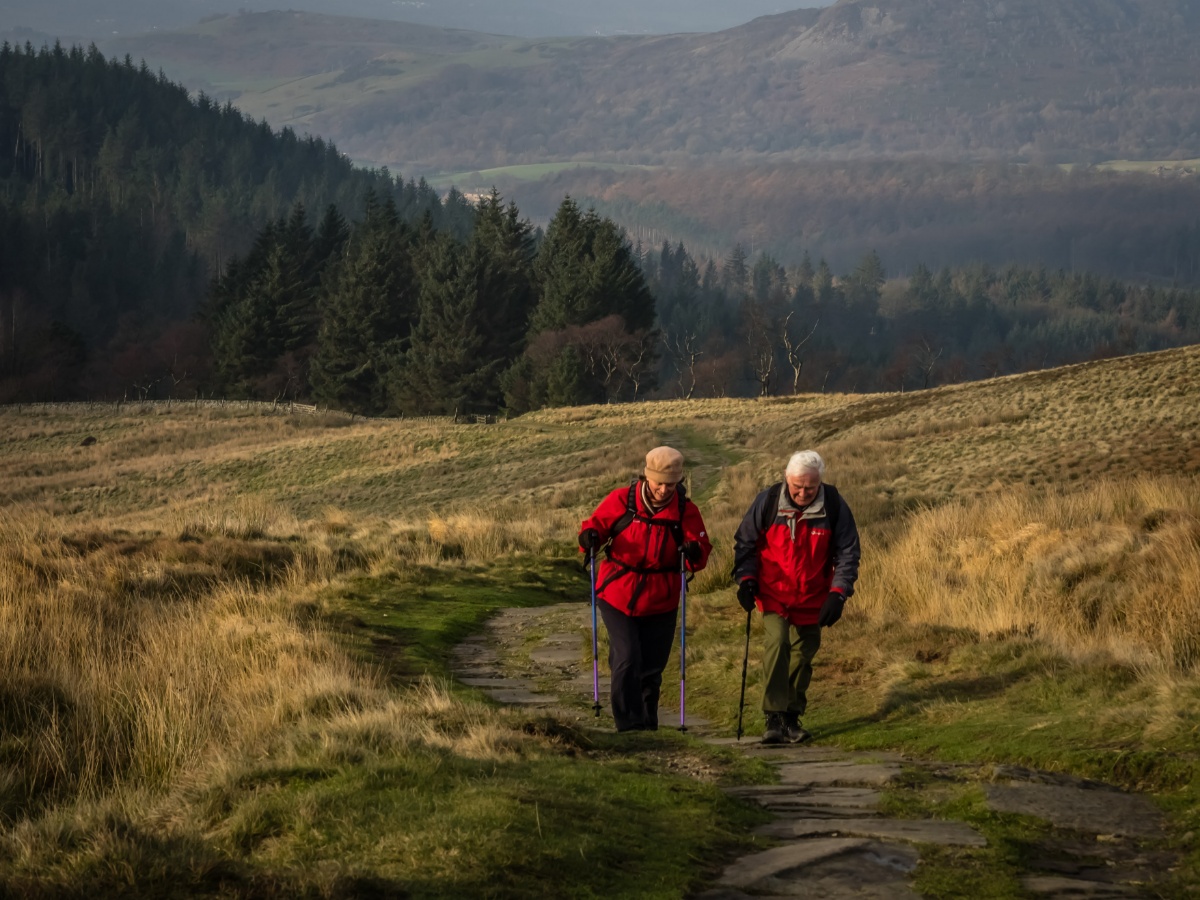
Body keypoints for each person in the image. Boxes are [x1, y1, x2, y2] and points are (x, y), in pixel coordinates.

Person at [578, 446, 712, 731]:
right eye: (659, 483)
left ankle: (648, 723)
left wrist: (694, 551)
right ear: (646, 477)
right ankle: (628, 724)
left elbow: (700, 553)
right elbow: (595, 527)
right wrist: (589, 537)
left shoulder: (686, 511)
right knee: (627, 656)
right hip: (617, 592)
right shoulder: (621, 500)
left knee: (652, 665)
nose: (664, 490)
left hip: (662, 597)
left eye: (671, 485)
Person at [731, 450, 860, 744]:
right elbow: (745, 544)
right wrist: (746, 581)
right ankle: (773, 717)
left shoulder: (834, 505)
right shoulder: (767, 502)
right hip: (773, 592)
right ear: (786, 479)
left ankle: (790, 717)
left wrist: (838, 594)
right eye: (797, 487)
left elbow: (848, 553)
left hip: (814, 596)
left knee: (803, 655)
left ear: (820, 483)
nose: (803, 493)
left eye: (810, 488)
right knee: (777, 644)